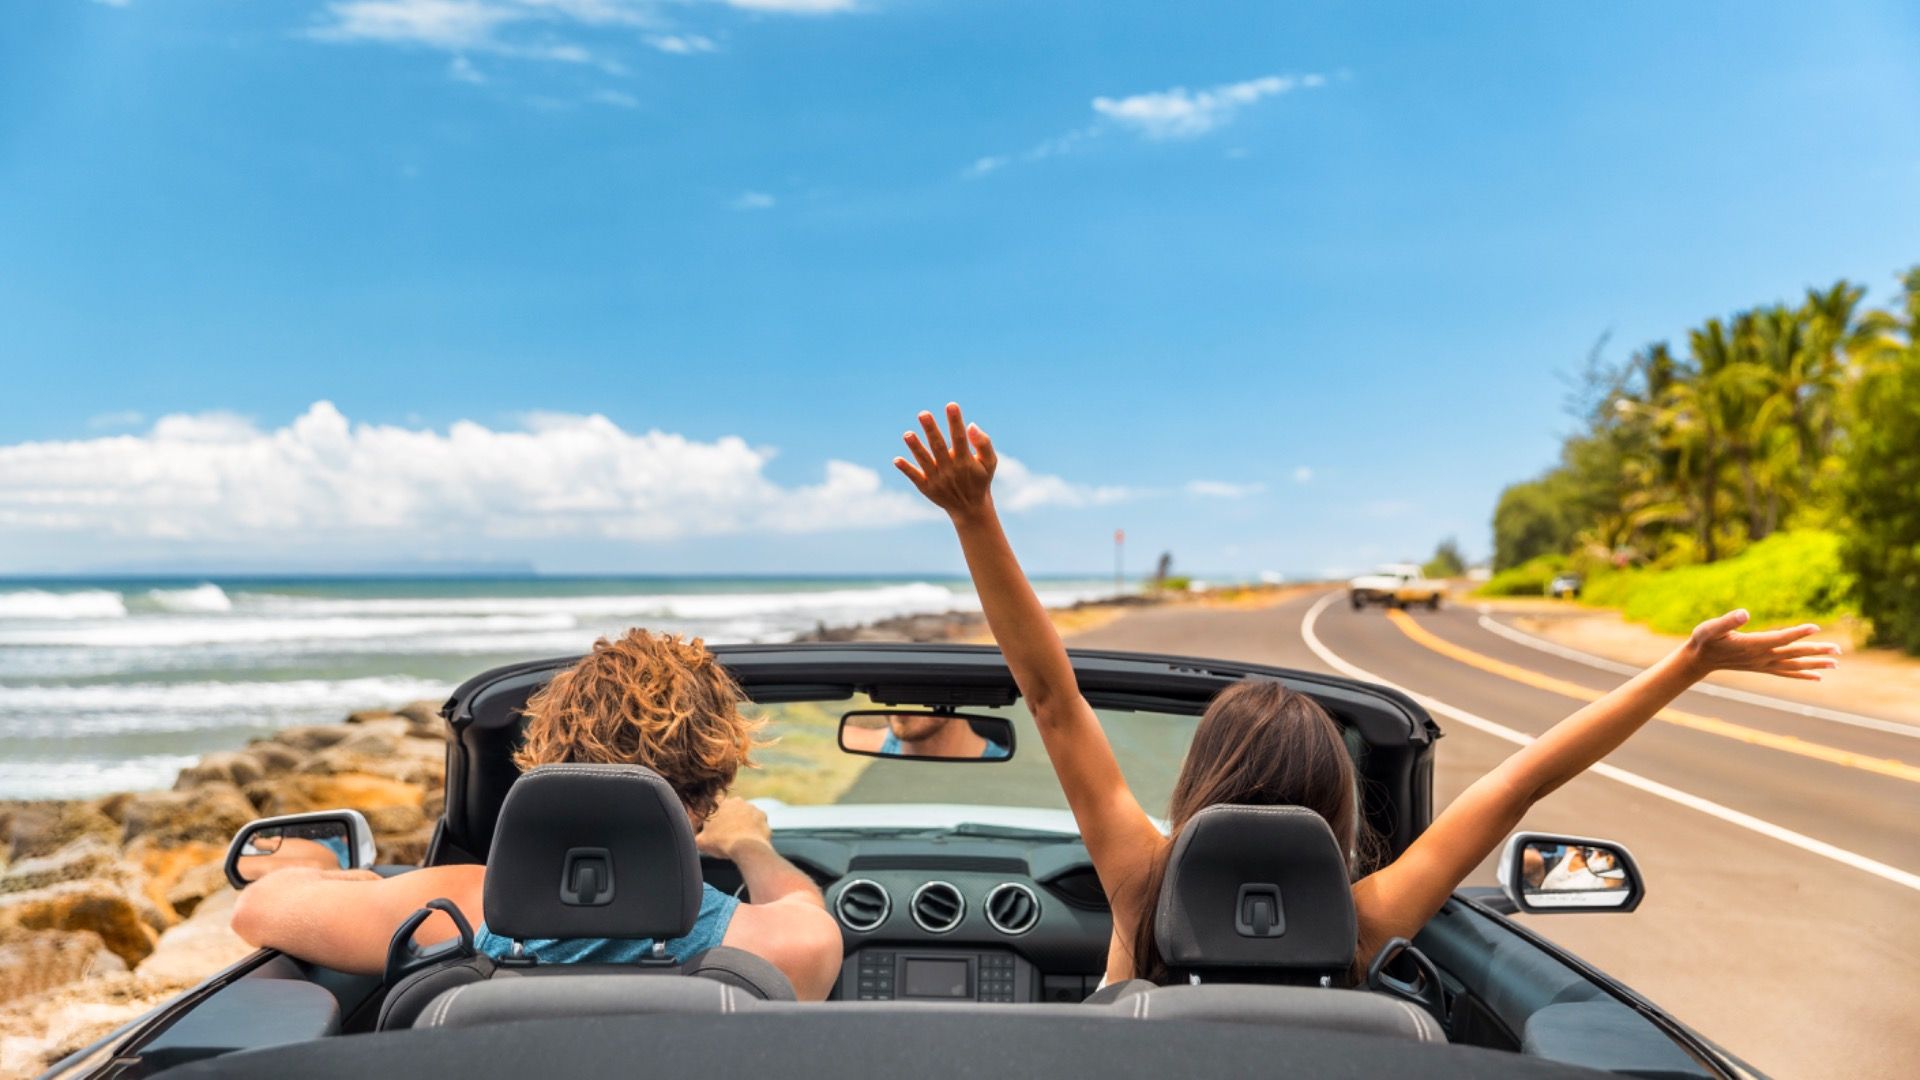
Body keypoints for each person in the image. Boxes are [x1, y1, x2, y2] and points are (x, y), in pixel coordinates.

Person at [892, 402, 1840, 985]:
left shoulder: (1142, 883)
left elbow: (1051, 697)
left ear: (1200, 780)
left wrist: (974, 517)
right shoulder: (1364, 920)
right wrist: (1686, 666)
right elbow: (1521, 783)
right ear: (1339, 806)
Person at [230, 630, 845, 1000]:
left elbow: (256, 908)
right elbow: (801, 908)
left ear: (548, 762)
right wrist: (749, 847)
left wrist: (352, 878)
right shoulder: (786, 945)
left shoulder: (454, 910)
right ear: (711, 794)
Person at [841, 712, 1011, 759]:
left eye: (919, 690)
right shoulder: (851, 743)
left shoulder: (1006, 772)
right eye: (888, 692)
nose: (900, 701)